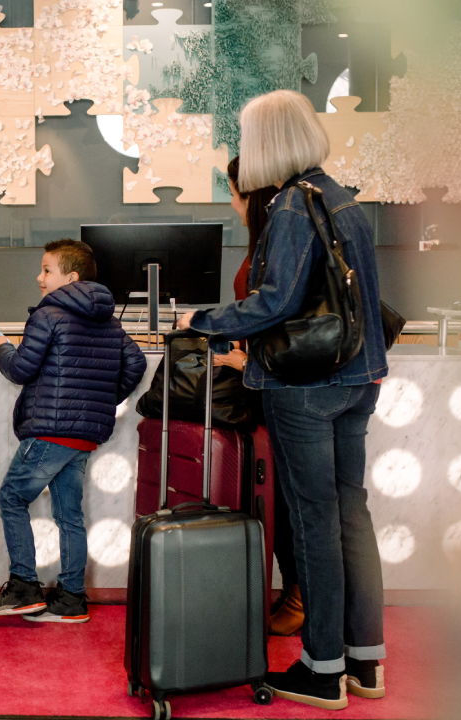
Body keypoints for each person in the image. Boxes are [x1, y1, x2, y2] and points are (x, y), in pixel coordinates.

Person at [178, 89, 389, 711]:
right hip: (358, 381)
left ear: (266, 143)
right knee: (353, 517)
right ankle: (364, 662)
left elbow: (274, 302)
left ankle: (322, 668)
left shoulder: (293, 207)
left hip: (306, 388)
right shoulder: (343, 199)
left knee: (315, 523)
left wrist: (204, 318)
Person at [0, 240, 147, 623]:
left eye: (46, 270)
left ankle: (23, 586)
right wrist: (99, 400)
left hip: (50, 432)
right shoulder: (109, 319)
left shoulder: (49, 314)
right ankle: (71, 598)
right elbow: (135, 363)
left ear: (70, 277)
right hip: (83, 437)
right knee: (69, 515)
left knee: (11, 498)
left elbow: (21, 369)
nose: (39, 278)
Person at [224, 157, 305, 637]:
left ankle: (297, 594)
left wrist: (245, 362)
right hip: (264, 392)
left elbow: (283, 327)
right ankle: (289, 591)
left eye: (234, 194)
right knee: (273, 499)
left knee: (291, 503)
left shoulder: (277, 245)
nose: (231, 203)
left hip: (279, 390)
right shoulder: (267, 244)